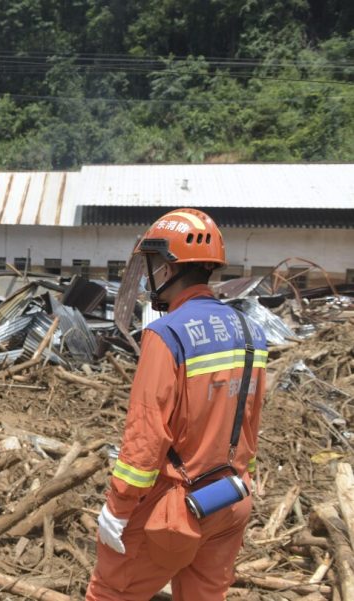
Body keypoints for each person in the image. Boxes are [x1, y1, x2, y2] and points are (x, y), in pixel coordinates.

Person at [86, 208, 267, 601]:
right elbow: (250, 422)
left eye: (153, 263)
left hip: (176, 509)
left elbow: (145, 438)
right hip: (232, 499)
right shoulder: (251, 332)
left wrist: (117, 509)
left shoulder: (166, 334)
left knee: (111, 593)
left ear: (168, 268)